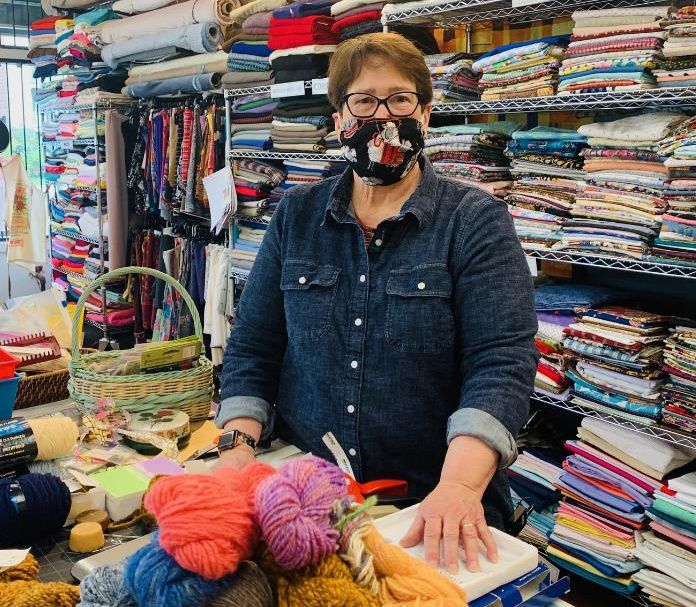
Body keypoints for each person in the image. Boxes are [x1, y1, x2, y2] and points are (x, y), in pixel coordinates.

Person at [215, 32, 538, 575]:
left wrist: (460, 487)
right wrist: (236, 452)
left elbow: (501, 362)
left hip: (431, 503)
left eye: (400, 100)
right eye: (364, 101)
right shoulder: (297, 216)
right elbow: (254, 344)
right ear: (340, 118)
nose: (383, 117)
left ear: (425, 114)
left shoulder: (474, 221)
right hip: (311, 498)